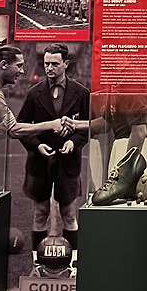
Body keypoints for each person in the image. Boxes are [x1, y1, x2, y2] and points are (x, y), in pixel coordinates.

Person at [15, 44, 90, 263]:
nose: (49, 68)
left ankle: (73, 263)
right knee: (40, 212)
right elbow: (21, 127)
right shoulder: (33, 93)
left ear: (66, 64)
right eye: (46, 63)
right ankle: (37, 263)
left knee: (69, 213)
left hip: (68, 163)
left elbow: (88, 128)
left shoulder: (81, 93)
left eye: (54, 64)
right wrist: (37, 145)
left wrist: (73, 143)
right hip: (39, 162)